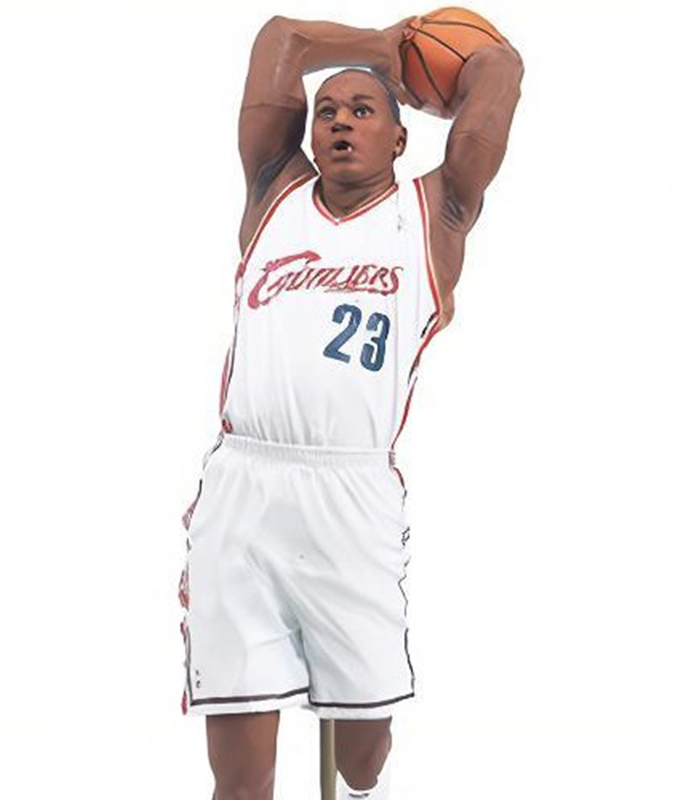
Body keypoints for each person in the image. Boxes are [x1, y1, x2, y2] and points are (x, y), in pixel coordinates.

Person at [179, 14, 523, 800]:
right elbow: (279, 37)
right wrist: (384, 45)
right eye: (326, 110)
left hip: (352, 497)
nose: (339, 121)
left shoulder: (436, 214)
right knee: (241, 777)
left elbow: (501, 69)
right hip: (243, 495)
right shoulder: (275, 190)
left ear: (401, 140)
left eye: (362, 110)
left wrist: (428, 57)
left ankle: (369, 772)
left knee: (359, 758)